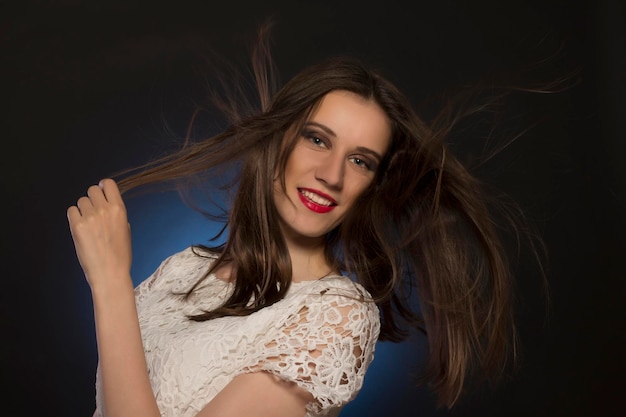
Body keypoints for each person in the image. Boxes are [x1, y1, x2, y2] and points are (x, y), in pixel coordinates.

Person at [67, 21, 544, 417]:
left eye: (361, 161)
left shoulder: (336, 318)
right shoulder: (184, 269)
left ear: (372, 185)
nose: (332, 175)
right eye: (317, 139)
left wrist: (110, 282)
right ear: (279, 139)